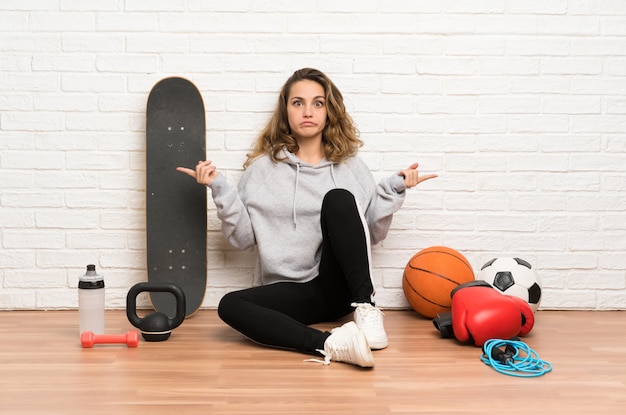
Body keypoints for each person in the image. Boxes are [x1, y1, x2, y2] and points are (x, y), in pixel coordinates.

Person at [177, 68, 437, 368]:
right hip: (289, 294)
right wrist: (219, 188)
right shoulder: (261, 170)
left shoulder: (350, 167)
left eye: (318, 103)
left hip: (337, 289)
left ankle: (366, 308)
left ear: (329, 111)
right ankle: (331, 343)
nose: (308, 111)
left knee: (338, 198)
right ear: (285, 110)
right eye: (297, 103)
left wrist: (395, 188)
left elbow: (370, 233)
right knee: (230, 305)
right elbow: (242, 239)